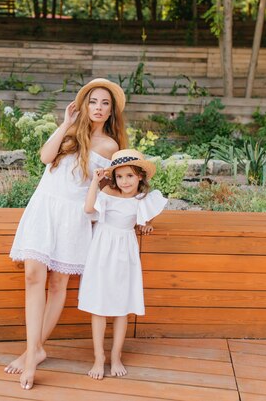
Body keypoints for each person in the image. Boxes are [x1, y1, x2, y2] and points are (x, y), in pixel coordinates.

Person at [7, 78, 128, 390]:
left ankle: (32, 353)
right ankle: (34, 350)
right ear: (84, 105)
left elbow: (110, 187)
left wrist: (137, 214)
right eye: (94, 102)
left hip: (72, 215)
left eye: (105, 104)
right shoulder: (69, 131)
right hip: (44, 207)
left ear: (112, 111)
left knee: (58, 283)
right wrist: (65, 123)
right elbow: (46, 157)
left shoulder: (109, 146)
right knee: (34, 276)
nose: (99, 108)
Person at [79, 149, 168, 380]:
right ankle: (99, 357)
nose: (124, 181)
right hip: (102, 250)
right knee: (99, 305)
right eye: (119, 176)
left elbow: (147, 215)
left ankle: (116, 355)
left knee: (121, 305)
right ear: (114, 178)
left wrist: (146, 224)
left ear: (140, 176)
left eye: (130, 176)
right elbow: (89, 210)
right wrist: (95, 183)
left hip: (125, 252)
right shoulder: (108, 192)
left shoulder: (142, 199)